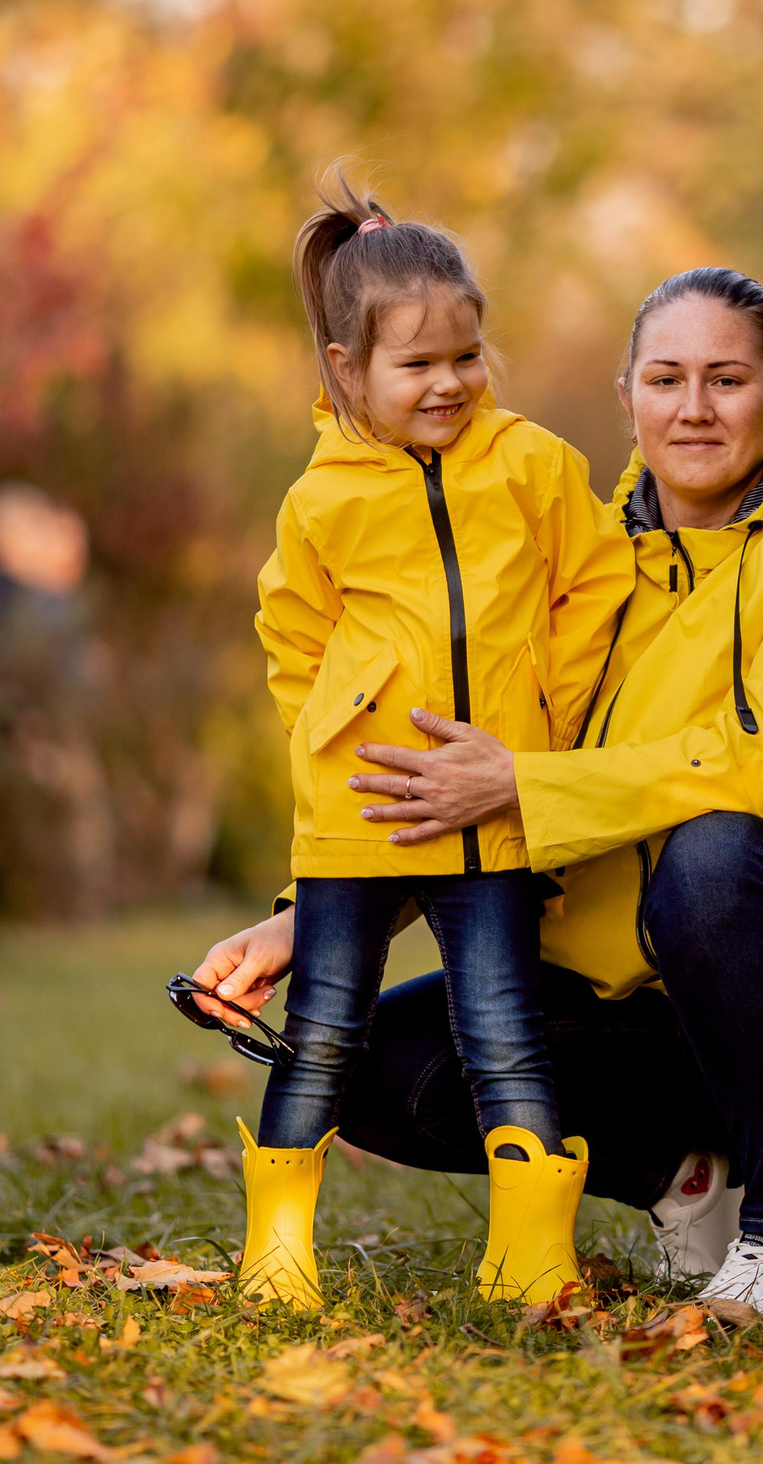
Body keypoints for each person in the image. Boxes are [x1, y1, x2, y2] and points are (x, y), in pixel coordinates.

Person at [192, 267, 763, 1311]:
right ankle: (682, 1180)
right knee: (361, 1064)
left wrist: (526, 784)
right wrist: (309, 924)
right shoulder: (580, 556)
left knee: (714, 847)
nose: (694, 408)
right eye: (666, 378)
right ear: (627, 398)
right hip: (635, 1000)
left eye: (728, 379)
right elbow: (471, 789)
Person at [225, 169, 632, 1311]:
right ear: (345, 369)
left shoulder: (538, 466)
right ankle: (277, 1249)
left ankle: (528, 1253)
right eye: (418, 364)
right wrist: (331, 745)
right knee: (323, 1031)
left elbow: (593, 592)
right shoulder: (322, 500)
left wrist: (542, 735)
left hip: (497, 815)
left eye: (467, 356)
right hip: (358, 821)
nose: (449, 383)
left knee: (503, 1028)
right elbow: (291, 638)